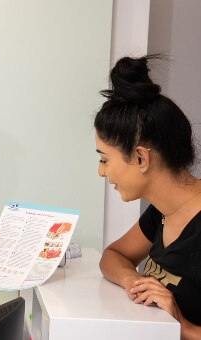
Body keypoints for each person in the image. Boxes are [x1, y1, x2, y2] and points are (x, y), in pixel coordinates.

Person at [94, 55, 201, 339]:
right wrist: (135, 281)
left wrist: (183, 326)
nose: (101, 172)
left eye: (105, 160)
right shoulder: (162, 212)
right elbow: (114, 255)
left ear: (141, 157)